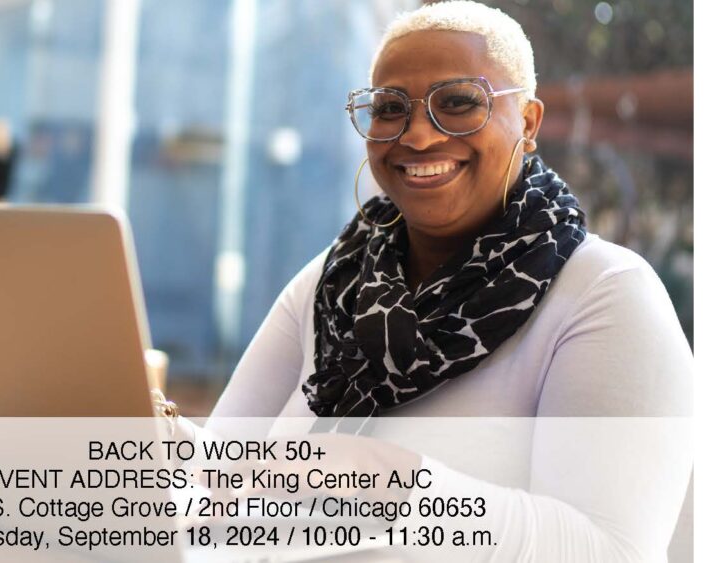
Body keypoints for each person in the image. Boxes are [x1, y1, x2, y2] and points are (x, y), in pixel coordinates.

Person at [203, 2, 691, 560]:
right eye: (389, 108)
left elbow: (611, 549)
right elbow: (213, 480)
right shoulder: (333, 282)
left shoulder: (605, 295)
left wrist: (397, 484)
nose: (417, 135)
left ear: (528, 123)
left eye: (458, 103)